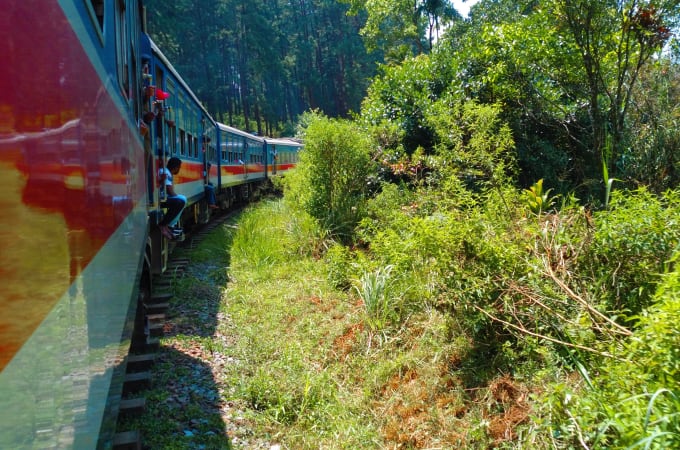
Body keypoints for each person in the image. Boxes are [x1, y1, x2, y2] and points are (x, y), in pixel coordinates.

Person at [158, 157, 186, 240]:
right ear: (176, 167)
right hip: (160, 198)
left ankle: (169, 224)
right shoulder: (166, 172)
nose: (179, 169)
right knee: (180, 201)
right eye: (179, 167)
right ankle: (168, 225)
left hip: (161, 196)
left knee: (181, 199)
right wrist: (177, 198)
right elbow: (169, 190)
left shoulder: (166, 172)